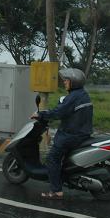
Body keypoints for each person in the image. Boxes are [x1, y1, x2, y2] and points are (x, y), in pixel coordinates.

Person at [31, 68, 93, 200]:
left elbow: (58, 113)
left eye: (66, 80)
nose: (64, 82)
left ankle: (56, 191)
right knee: (61, 158)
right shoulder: (82, 94)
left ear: (74, 82)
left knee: (52, 158)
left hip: (71, 135)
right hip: (82, 132)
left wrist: (40, 114)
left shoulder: (73, 97)